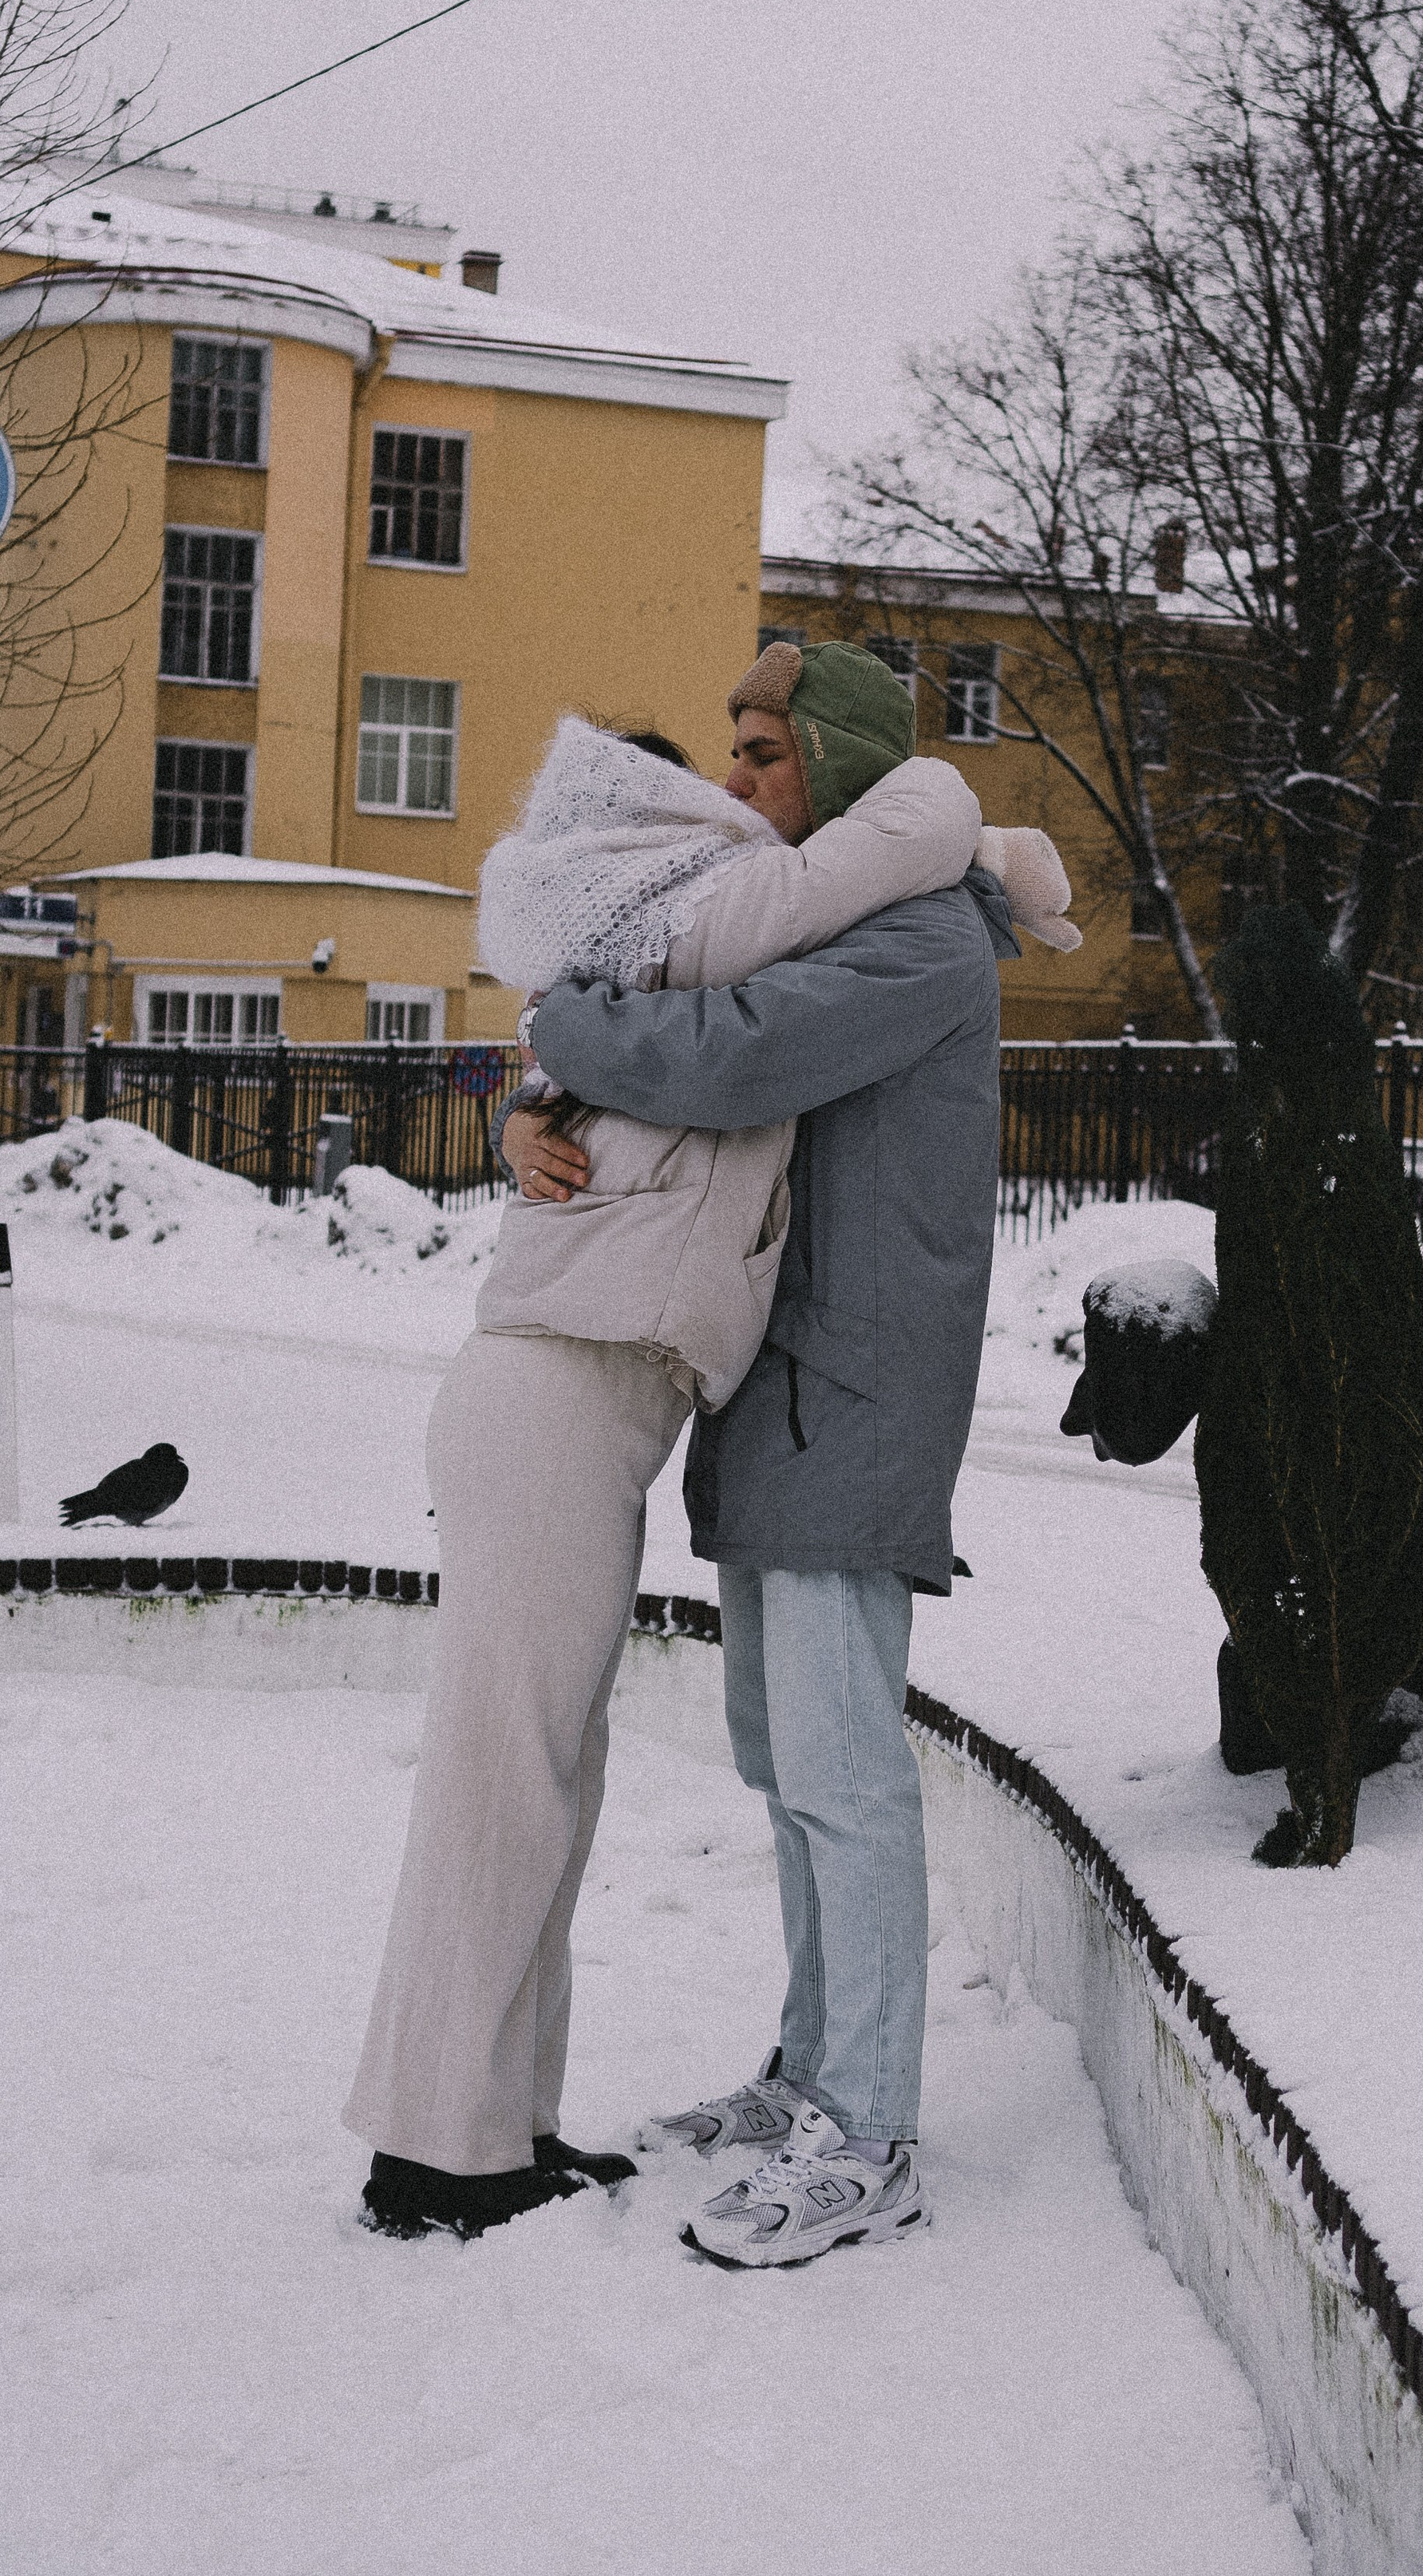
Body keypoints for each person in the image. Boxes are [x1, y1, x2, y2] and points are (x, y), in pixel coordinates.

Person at [347, 685, 1076, 2242]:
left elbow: (727, 1057)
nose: (741, 785)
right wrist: (529, 1095)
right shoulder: (799, 920)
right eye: (730, 753)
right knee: (630, 1768)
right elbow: (665, 1042)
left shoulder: (913, 938)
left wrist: (550, 1027)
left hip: (841, 1399)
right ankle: (494, 2135)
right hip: (709, 1405)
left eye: (766, 754)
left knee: (822, 1775)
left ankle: (855, 2125)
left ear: (852, 768)